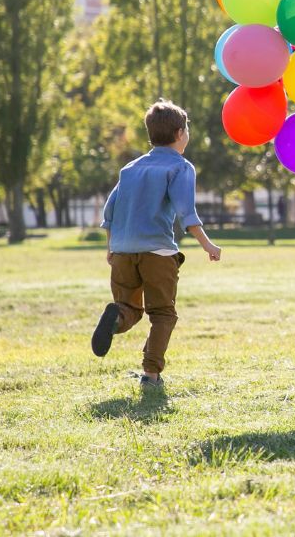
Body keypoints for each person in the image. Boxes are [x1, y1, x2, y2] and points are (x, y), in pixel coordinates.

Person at [91, 100, 222, 389]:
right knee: (162, 313)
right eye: (187, 130)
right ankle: (151, 375)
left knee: (129, 308)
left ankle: (115, 319)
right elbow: (187, 213)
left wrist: (111, 248)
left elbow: (109, 212)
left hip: (123, 251)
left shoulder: (130, 168)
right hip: (157, 252)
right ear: (179, 133)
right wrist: (208, 245)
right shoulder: (180, 167)